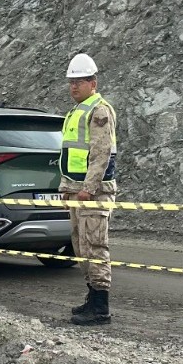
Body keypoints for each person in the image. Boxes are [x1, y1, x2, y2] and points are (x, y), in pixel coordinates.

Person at [59, 53, 118, 325]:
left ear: (93, 83)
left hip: (93, 192)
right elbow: (71, 155)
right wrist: (67, 187)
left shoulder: (99, 110)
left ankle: (100, 307)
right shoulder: (77, 111)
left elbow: (100, 154)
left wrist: (89, 187)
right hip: (77, 190)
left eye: (80, 81)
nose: (74, 86)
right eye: (71, 82)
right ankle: (92, 298)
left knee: (94, 246)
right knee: (81, 246)